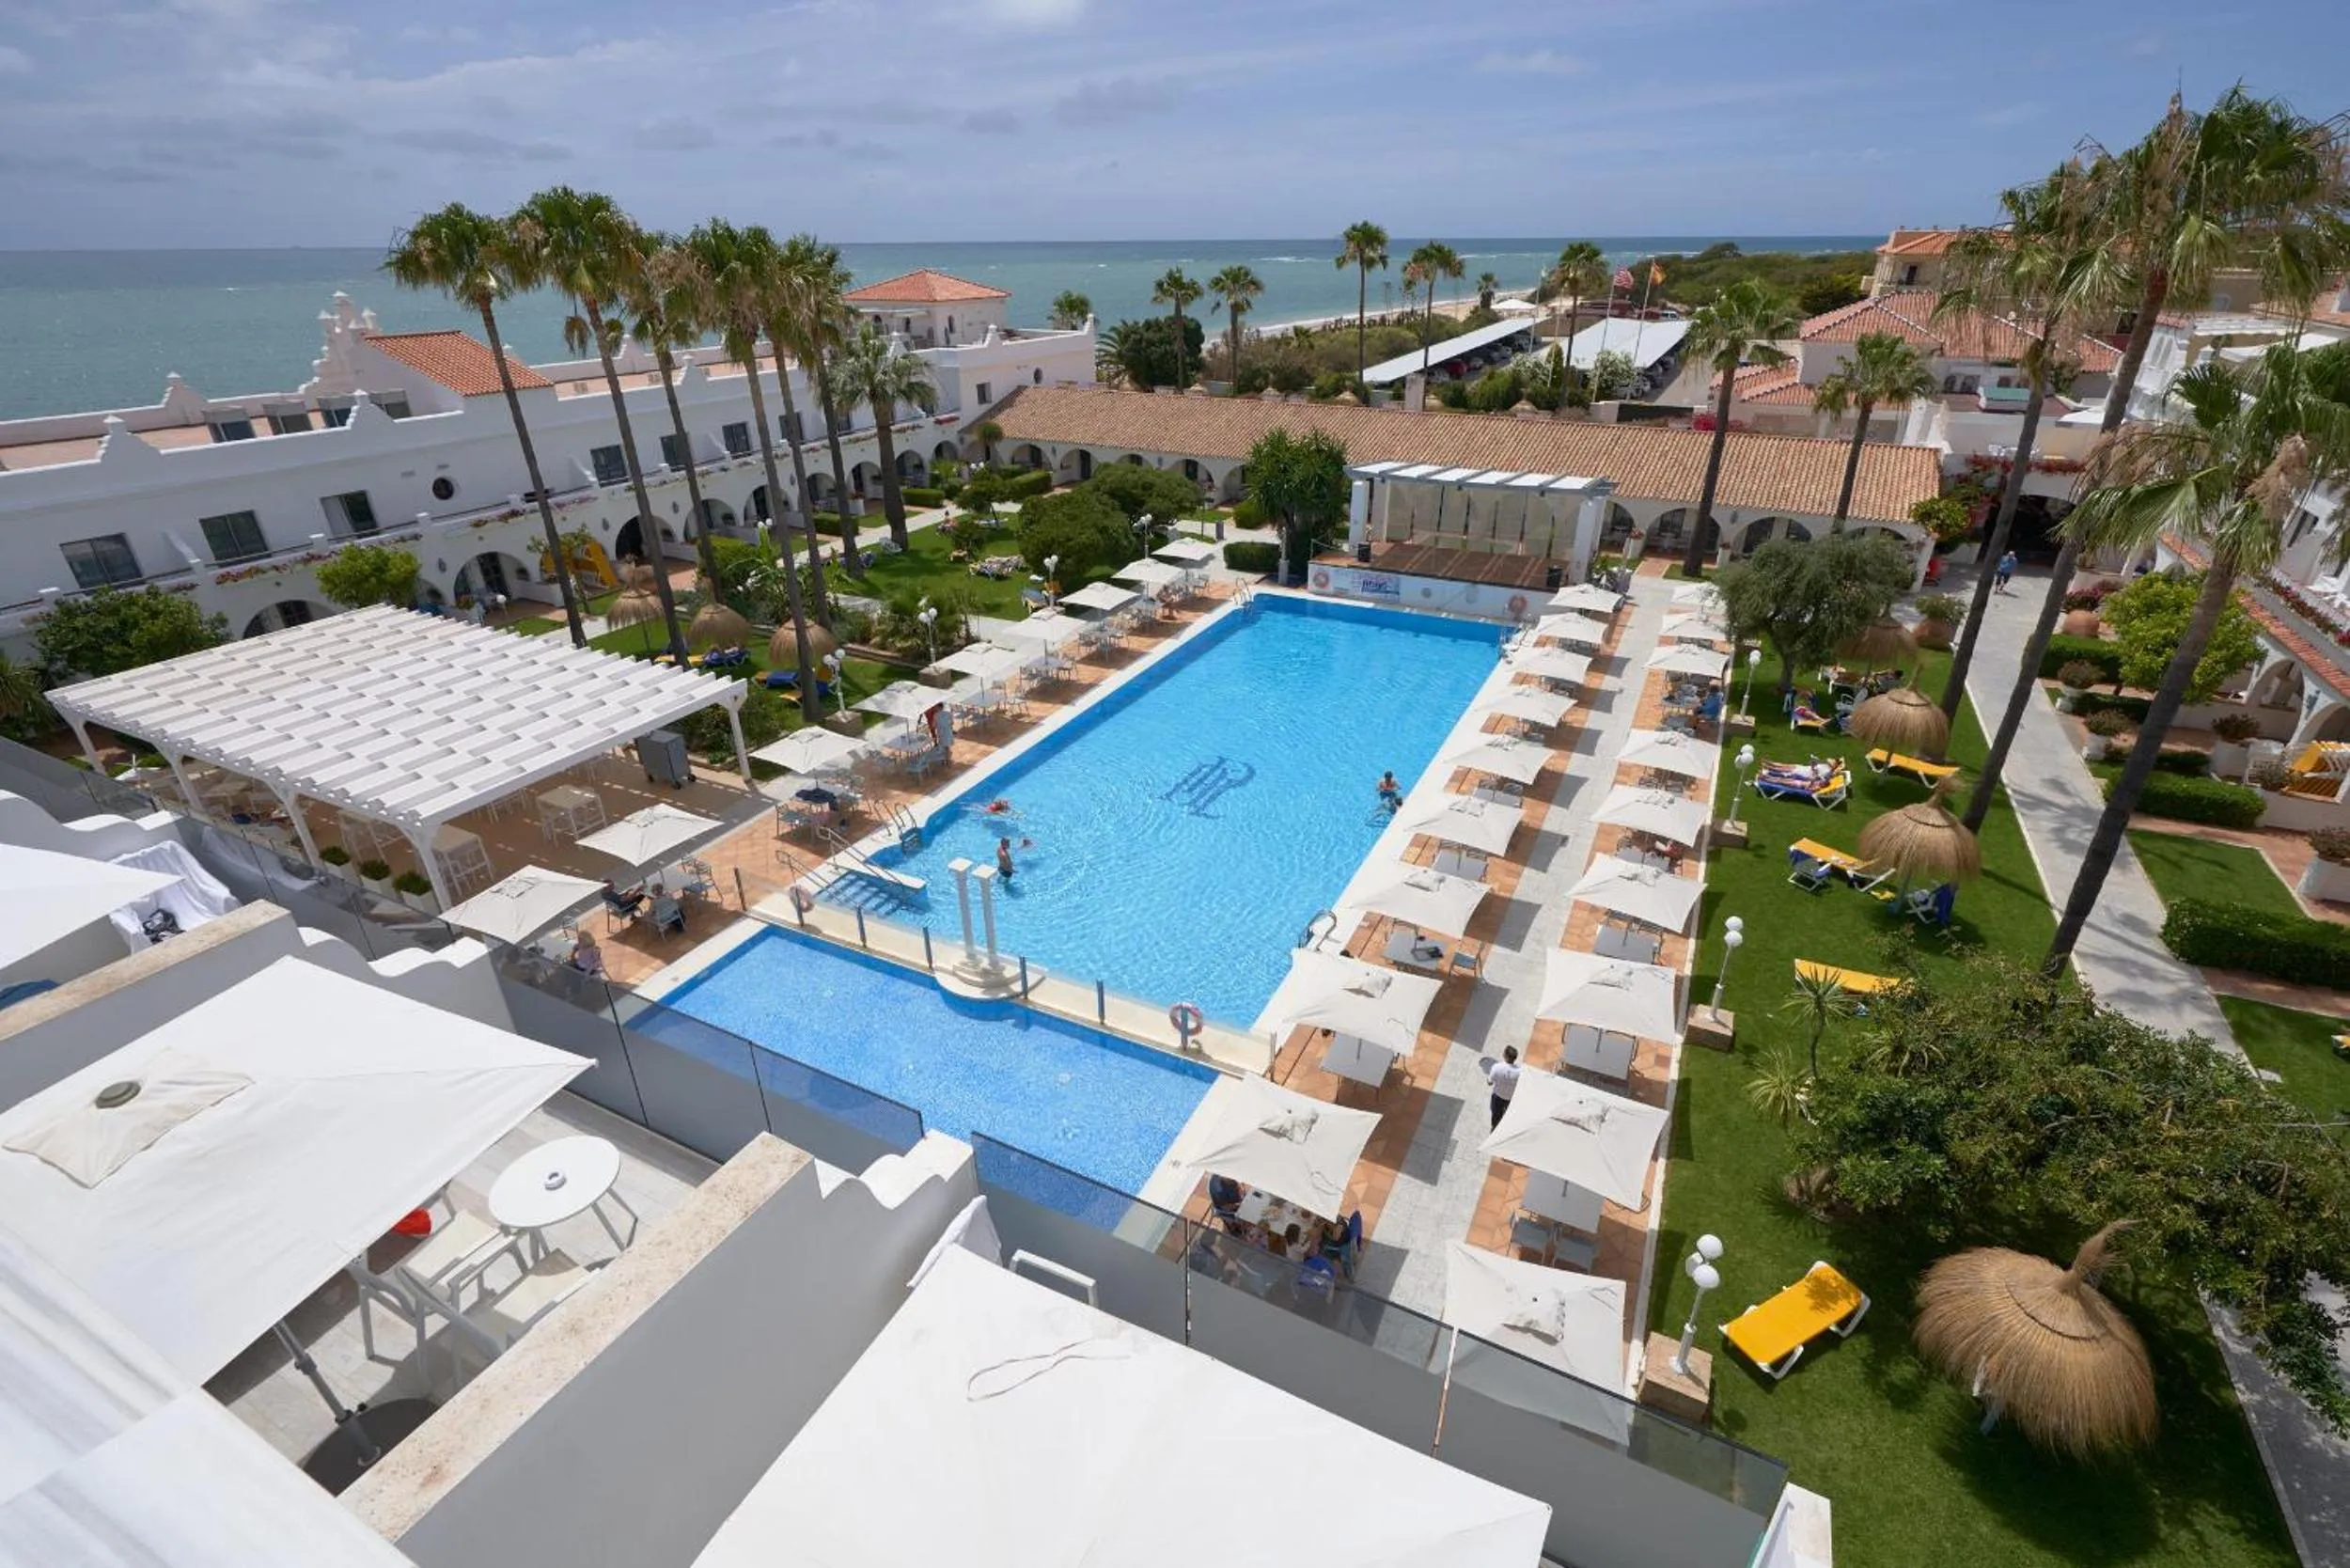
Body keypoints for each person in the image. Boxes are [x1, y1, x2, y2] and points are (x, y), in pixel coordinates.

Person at [1483, 1045, 1522, 1129]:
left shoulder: (1497, 1067)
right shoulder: (1520, 1071)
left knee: (1495, 1115)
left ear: (1505, 1056)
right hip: (1510, 1099)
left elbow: (1489, 1082)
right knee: (1508, 1115)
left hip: (1497, 1098)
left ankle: (1494, 1129)